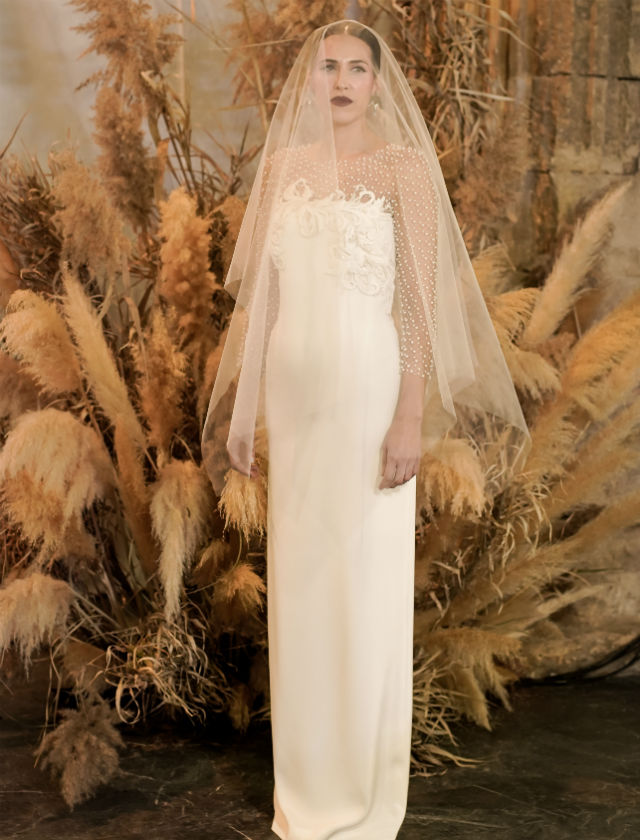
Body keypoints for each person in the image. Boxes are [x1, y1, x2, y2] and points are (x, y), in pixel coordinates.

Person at [201, 19, 530, 840]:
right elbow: (263, 300)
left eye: (357, 68)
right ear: (309, 82)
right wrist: (244, 407)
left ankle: (360, 789)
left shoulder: (403, 169)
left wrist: (409, 415)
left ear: (378, 84)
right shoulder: (282, 168)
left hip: (367, 396)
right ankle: (305, 786)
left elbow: (418, 303)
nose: (342, 81)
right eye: (329, 68)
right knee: (303, 583)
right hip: (293, 402)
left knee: (360, 581)